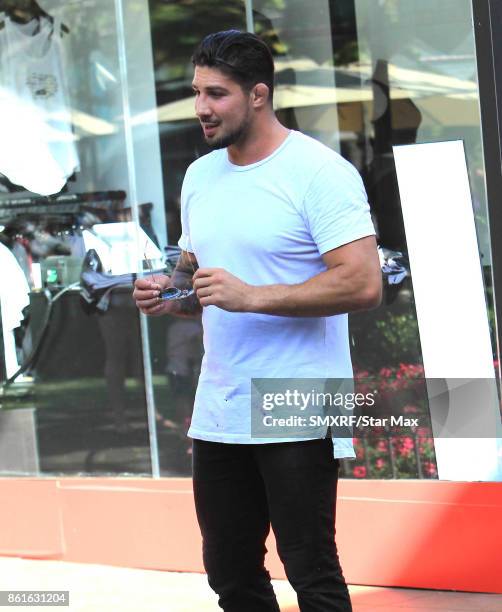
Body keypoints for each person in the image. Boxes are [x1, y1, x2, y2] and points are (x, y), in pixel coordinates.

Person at [133, 30, 381, 612]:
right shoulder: (200, 176)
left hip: (300, 395)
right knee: (230, 569)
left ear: (259, 95)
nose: (201, 108)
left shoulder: (320, 172)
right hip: (221, 401)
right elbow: (195, 274)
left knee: (310, 566)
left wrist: (252, 296)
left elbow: (363, 281)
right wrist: (168, 293)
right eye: (197, 92)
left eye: (216, 94)